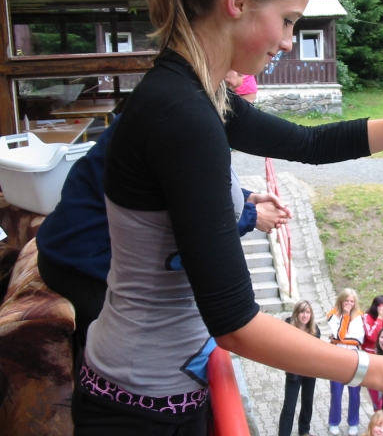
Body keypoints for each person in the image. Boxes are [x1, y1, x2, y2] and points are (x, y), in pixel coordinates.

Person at [72, 0, 383, 433]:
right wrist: (375, 369)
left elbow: (309, 144)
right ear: (237, 2)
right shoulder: (183, 114)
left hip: (157, 392)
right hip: (138, 409)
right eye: (287, 20)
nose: (288, 41)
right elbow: (235, 323)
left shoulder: (195, 95)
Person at [35, 116, 291, 347]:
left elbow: (188, 183)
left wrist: (245, 199)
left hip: (72, 254)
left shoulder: (164, 110)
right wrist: (251, 215)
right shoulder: (177, 125)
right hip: (82, 268)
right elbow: (192, 213)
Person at [278, 300, 320, 436]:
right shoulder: (288, 326)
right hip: (294, 371)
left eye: (308, 312)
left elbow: (316, 352)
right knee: (289, 406)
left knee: (307, 401)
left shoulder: (315, 330)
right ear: (296, 313)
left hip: (309, 371)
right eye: (302, 312)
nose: (305, 315)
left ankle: (304, 430)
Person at [327, 288, 365, 435]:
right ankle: (334, 422)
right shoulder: (332, 315)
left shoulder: (360, 317)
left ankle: (353, 423)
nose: (349, 304)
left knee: (355, 393)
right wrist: (345, 315)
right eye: (346, 301)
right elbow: (339, 335)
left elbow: (357, 339)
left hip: (355, 359)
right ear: (341, 301)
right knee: (336, 393)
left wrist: (337, 340)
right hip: (337, 359)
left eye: (352, 301)